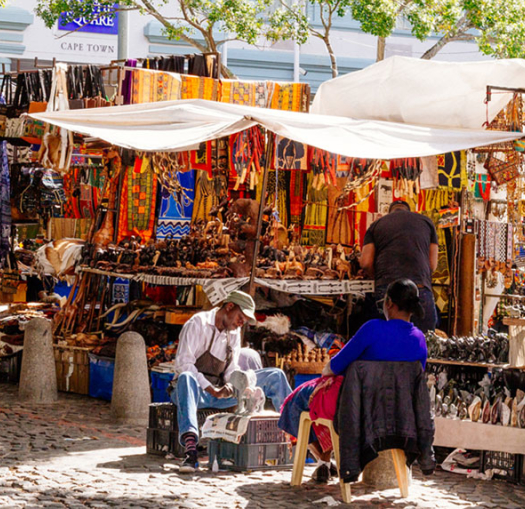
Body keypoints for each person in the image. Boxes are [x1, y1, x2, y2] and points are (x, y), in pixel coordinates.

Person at [278, 279, 428, 483]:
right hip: (396, 414)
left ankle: (322, 460)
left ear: (390, 304)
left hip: (355, 409)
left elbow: (333, 367)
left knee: (298, 400)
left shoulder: (373, 328)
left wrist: (327, 374)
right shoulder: (419, 339)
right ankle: (325, 460)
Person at [171, 290, 292, 473]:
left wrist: (234, 383)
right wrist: (211, 388)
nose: (240, 323)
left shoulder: (232, 333)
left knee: (275, 375)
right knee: (186, 377)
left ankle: (295, 436)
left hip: (219, 391)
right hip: (193, 391)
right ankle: (191, 451)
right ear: (229, 307)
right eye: (240, 317)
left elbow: (231, 368)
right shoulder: (198, 323)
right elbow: (183, 364)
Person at [360, 199, 439, 332]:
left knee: (387, 341)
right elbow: (433, 264)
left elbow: (366, 263)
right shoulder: (427, 223)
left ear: (390, 212)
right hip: (419, 288)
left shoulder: (376, 225)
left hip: (388, 289)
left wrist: (377, 277)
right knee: (425, 341)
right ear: (408, 211)